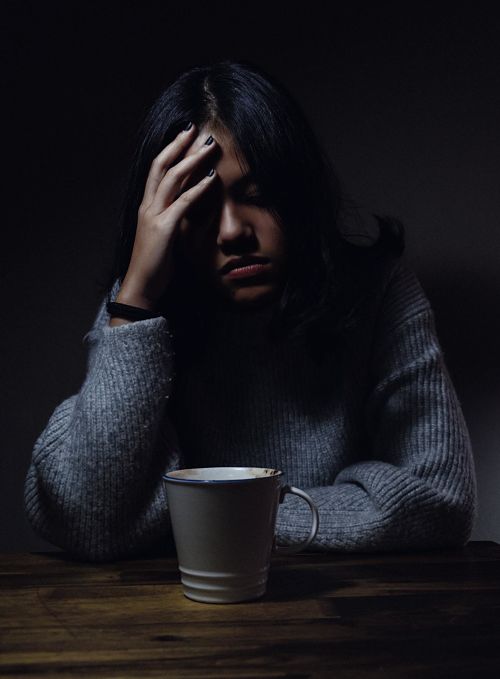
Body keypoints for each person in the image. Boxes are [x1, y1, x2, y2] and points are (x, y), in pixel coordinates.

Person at [24, 59, 477, 562]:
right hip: (171, 624)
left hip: (347, 617)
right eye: (196, 207)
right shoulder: (143, 309)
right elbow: (89, 516)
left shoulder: (377, 289)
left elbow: (442, 498)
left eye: (257, 196)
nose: (233, 231)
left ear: (299, 193)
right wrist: (134, 303)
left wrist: (219, 520)